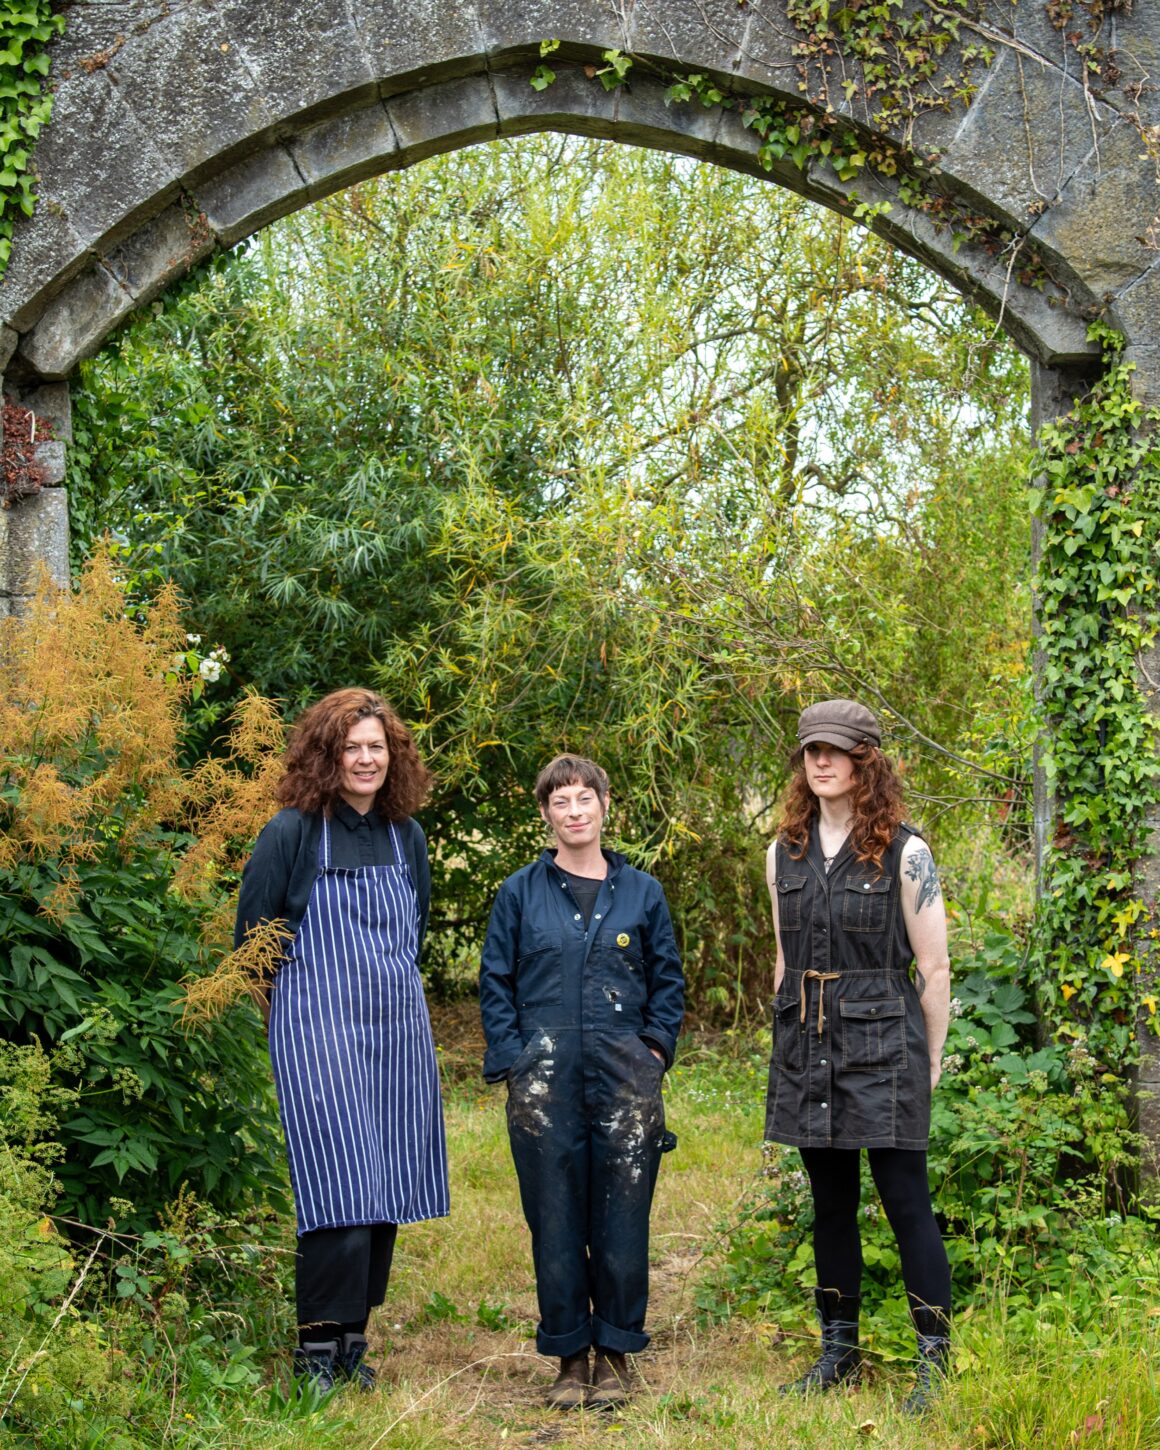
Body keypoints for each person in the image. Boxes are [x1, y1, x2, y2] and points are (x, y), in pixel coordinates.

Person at [235, 687, 449, 1392]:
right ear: (325, 756)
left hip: (393, 1030)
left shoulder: (405, 837)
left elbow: (410, 936)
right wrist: (294, 1028)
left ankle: (354, 1340)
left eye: (377, 748)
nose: (365, 759)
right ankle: (313, 1354)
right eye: (351, 747)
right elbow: (253, 947)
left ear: (394, 758)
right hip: (315, 1029)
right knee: (339, 1186)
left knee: (384, 1187)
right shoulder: (290, 834)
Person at [764, 699, 952, 1415]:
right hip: (807, 1044)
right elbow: (785, 963)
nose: (820, 760)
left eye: (836, 750)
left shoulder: (906, 851)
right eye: (811, 748)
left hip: (886, 1043)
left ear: (866, 760)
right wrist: (785, 1046)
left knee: (906, 1202)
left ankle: (933, 1363)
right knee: (830, 1203)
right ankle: (838, 1352)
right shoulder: (782, 850)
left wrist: (928, 1060)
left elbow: (933, 972)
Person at [479, 755, 684, 1411]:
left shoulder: (643, 893)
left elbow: (669, 985)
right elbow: (495, 984)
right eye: (560, 801)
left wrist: (653, 1050)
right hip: (543, 1082)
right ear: (546, 814)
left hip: (627, 1079)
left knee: (623, 1218)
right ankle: (570, 1356)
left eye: (583, 799)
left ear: (604, 805)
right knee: (556, 1219)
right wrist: (513, 1060)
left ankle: (617, 1352)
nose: (574, 811)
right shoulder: (519, 893)